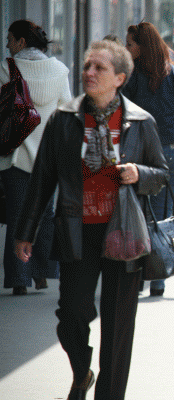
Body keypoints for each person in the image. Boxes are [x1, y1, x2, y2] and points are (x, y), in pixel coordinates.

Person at [14, 39, 168, 400]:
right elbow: (42, 180)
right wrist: (25, 232)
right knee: (71, 314)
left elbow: (161, 174)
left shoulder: (141, 122)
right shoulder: (64, 119)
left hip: (124, 233)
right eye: (87, 66)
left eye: (99, 68)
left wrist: (138, 173)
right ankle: (82, 372)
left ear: (120, 78)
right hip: (76, 230)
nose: (89, 73)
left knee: (117, 327)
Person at [123, 22, 174, 296]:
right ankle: (158, 279)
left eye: (130, 44)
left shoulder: (133, 78)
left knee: (138, 212)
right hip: (172, 152)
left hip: (141, 154)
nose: (127, 50)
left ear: (141, 46)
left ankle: (139, 276)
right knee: (163, 213)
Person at [0, 19, 71, 295]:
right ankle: (42, 271)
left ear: (20, 42)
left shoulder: (7, 68)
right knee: (45, 213)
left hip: (16, 154)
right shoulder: (59, 71)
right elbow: (67, 111)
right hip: (48, 153)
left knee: (18, 214)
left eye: (10, 38)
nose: (7, 44)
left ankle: (20, 278)